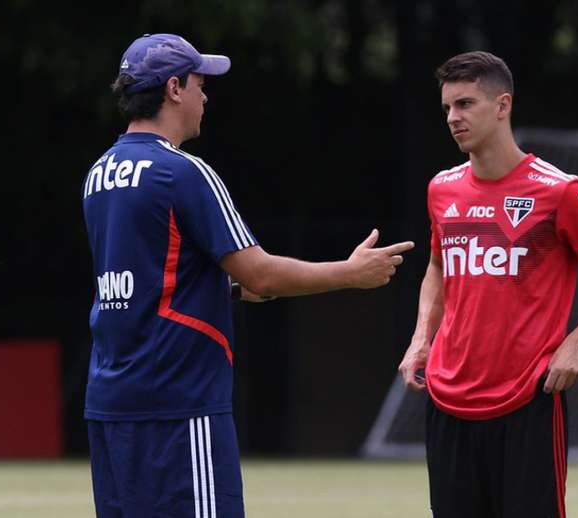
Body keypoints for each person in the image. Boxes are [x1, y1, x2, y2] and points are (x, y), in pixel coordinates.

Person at [82, 33, 414, 518]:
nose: (205, 96)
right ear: (173, 89)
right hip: (179, 403)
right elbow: (261, 274)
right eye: (199, 83)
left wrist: (226, 290)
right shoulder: (183, 172)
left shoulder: (99, 172)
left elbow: (151, 279)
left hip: (111, 401)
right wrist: (350, 273)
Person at [398, 51, 578, 518]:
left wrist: (576, 344)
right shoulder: (442, 188)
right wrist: (421, 339)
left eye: (466, 104)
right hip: (447, 400)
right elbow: (437, 266)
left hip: (526, 400)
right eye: (448, 107)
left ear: (503, 105)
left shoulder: (560, 191)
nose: (453, 118)